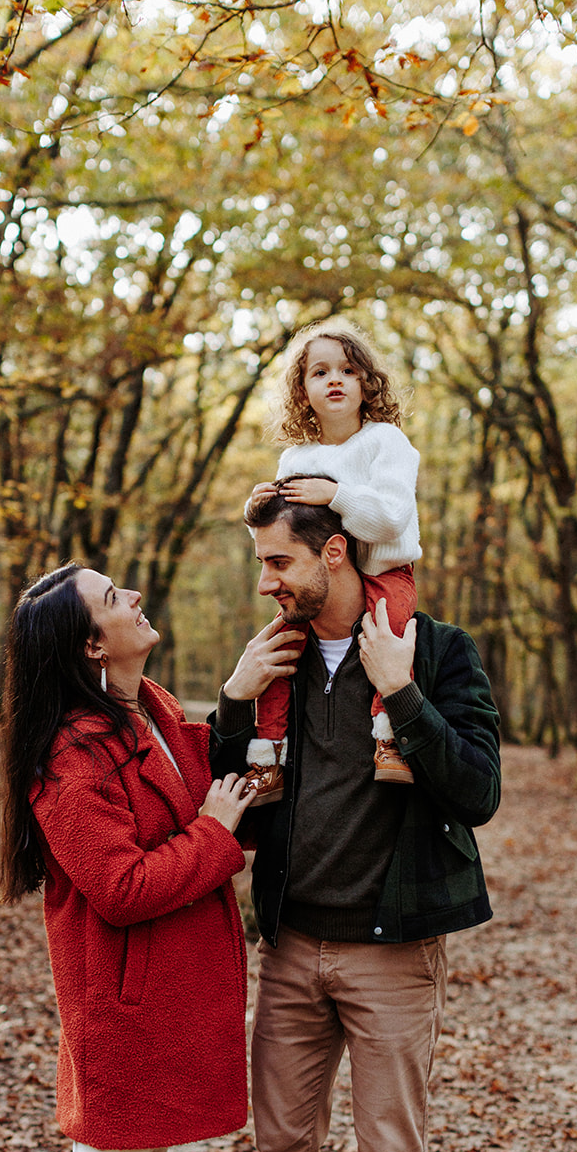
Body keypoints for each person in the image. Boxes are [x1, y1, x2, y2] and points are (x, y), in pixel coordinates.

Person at [183, 488, 501, 1152]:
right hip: (290, 948)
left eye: (278, 562)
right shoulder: (273, 663)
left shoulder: (434, 650)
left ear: (334, 555)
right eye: (260, 564)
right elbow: (226, 781)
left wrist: (401, 691)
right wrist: (234, 698)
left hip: (392, 952)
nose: (266, 580)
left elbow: (478, 789)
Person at [0, 562, 253, 1152]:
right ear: (90, 644)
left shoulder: (145, 711)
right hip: (121, 1002)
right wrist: (216, 836)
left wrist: (240, 695)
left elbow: (206, 773)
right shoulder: (69, 752)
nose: (134, 596)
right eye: (114, 600)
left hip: (160, 995)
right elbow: (120, 884)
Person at [243, 319, 421, 806]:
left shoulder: (386, 442)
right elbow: (280, 529)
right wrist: (257, 505)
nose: (335, 380)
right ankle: (268, 758)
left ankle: (388, 739)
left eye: (347, 369)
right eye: (320, 372)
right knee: (278, 649)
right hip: (319, 584)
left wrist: (337, 495)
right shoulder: (296, 458)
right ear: (303, 391)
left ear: (367, 382)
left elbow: (390, 519)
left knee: (389, 639)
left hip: (384, 570)